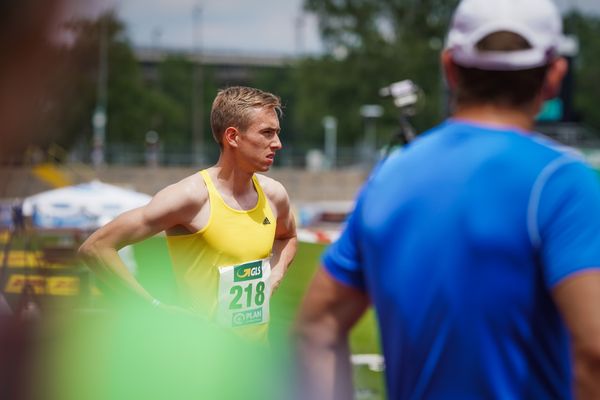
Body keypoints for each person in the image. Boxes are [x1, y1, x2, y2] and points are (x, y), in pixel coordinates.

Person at [294, 0, 600, 398]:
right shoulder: (562, 181)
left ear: (450, 67)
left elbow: (316, 328)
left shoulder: (390, 175)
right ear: (555, 74)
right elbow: (594, 351)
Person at [79, 86, 297, 341]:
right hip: (200, 367)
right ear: (233, 137)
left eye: (277, 133)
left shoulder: (274, 195)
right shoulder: (191, 197)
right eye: (267, 133)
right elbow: (95, 248)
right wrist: (153, 309)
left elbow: (288, 237)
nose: (278, 144)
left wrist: (277, 273)